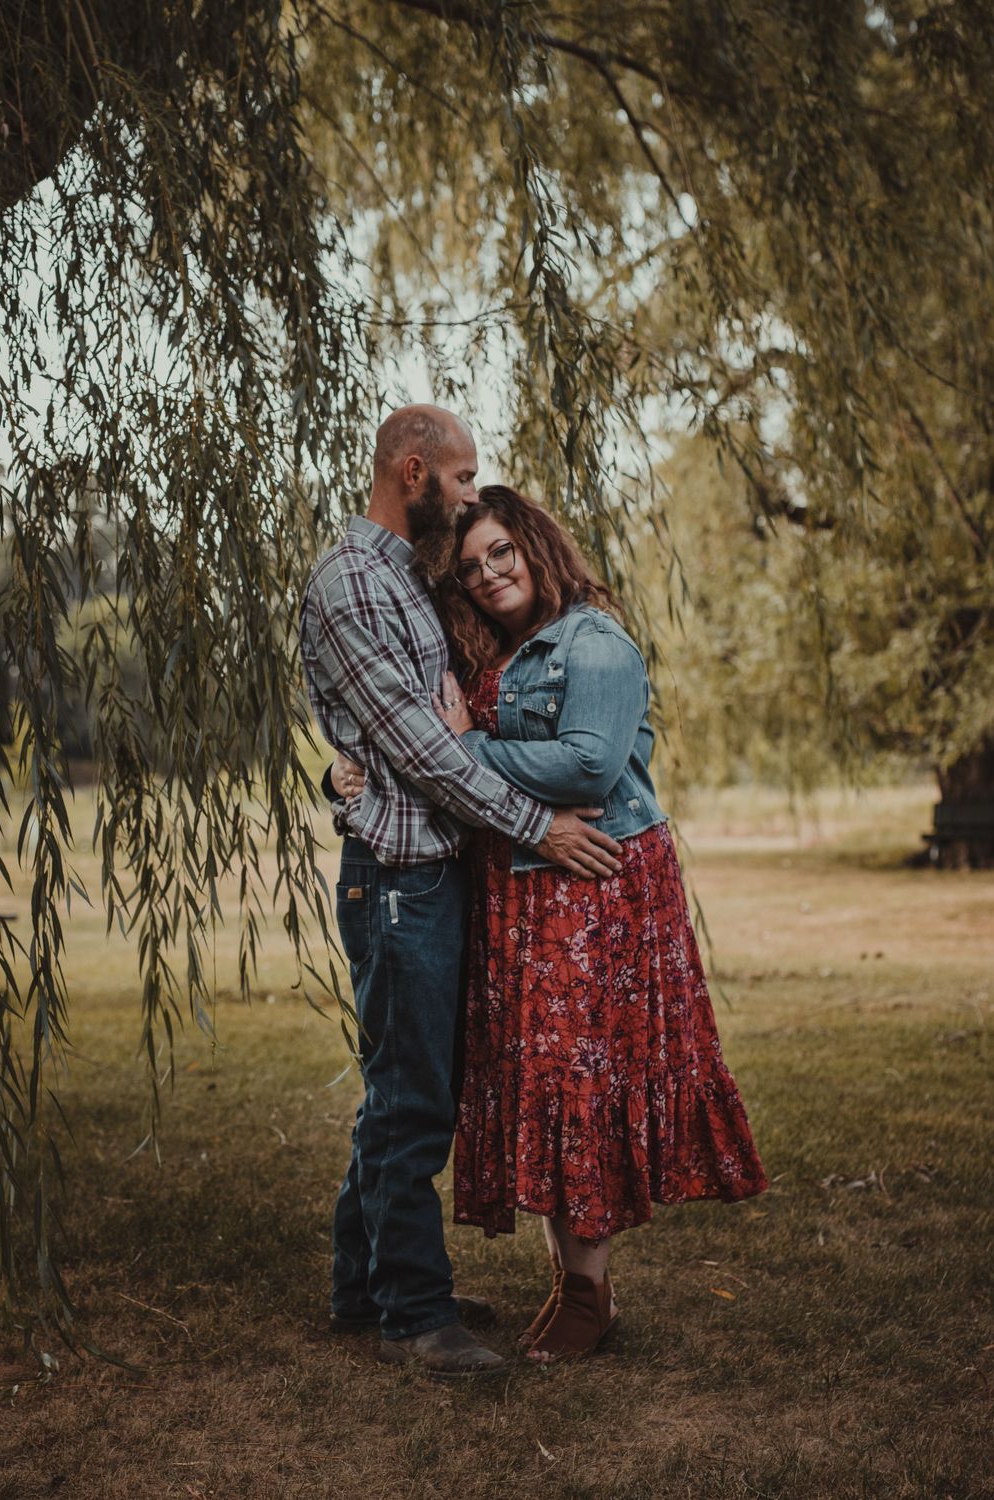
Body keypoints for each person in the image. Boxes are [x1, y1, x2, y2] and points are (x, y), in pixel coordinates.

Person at [339, 483, 768, 1362]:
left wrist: (467, 747)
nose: (489, 574)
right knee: (544, 1083)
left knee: (582, 1085)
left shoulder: (594, 643)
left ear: (535, 546)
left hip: (592, 894)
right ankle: (573, 1285)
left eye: (501, 551)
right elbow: (415, 744)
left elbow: (589, 766)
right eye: (470, 567)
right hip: (523, 892)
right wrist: (353, 773)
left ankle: (588, 1294)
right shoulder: (495, 649)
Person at [299, 408, 623, 1379]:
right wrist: (537, 826)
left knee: (404, 1094)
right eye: (462, 477)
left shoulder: (410, 575)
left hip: (435, 875)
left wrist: (348, 774)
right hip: (398, 881)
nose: (474, 493)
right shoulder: (349, 584)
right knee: (411, 1105)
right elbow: (423, 752)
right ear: (413, 472)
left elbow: (441, 732)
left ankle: (364, 1286)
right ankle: (414, 1315)